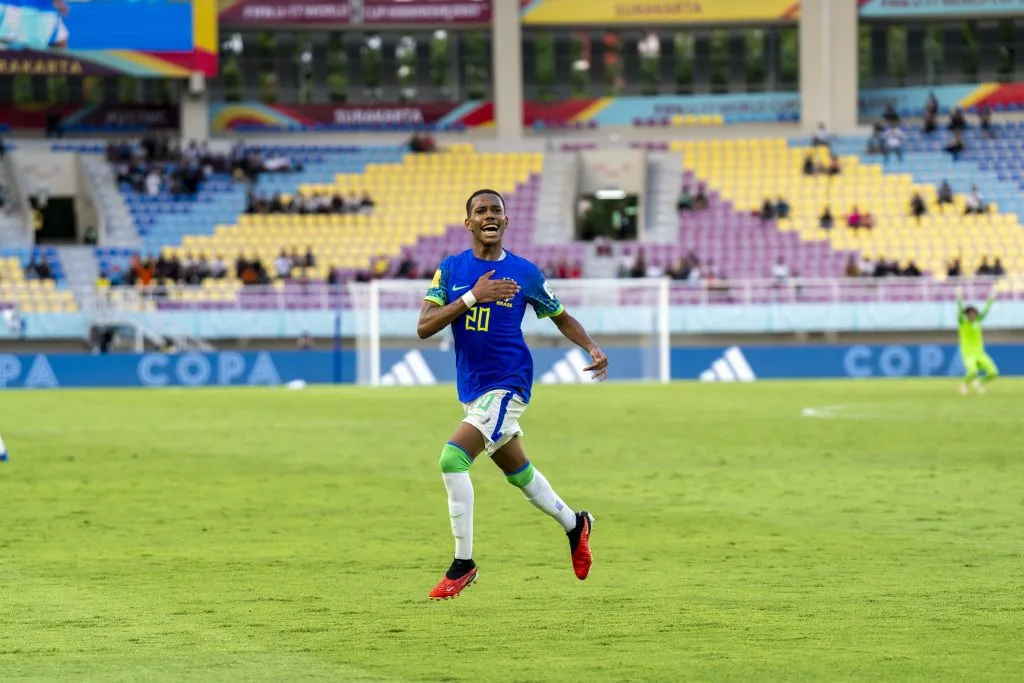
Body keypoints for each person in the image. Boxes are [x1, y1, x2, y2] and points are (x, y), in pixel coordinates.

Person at [417, 189, 607, 600]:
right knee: (518, 473)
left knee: (452, 458)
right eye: (481, 210)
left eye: (496, 210)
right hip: (473, 389)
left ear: (505, 221)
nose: (489, 215)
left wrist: (591, 347)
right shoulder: (450, 270)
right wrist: (472, 297)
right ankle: (576, 524)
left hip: (509, 383)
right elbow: (424, 326)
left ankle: (463, 564)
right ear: (468, 222)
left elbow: (561, 315)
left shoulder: (524, 272)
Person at [956, 287, 998, 395]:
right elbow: (959, 311)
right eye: (969, 313)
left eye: (973, 313)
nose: (971, 315)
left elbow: (986, 310)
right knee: (973, 371)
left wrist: (992, 298)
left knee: (993, 372)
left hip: (980, 353)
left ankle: (980, 383)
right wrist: (959, 298)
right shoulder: (962, 323)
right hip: (968, 354)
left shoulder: (978, 321)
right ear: (966, 315)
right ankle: (963, 384)